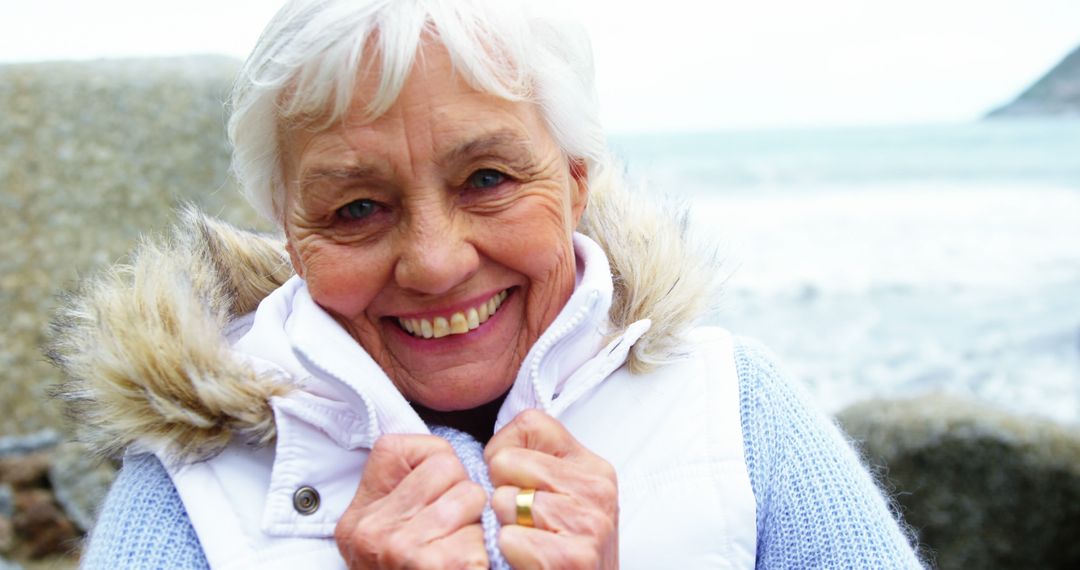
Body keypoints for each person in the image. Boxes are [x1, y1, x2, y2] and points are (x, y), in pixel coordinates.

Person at [48, 0, 924, 568]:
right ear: (288, 230)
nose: (435, 261)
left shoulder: (733, 408)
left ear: (578, 179)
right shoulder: (192, 481)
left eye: (488, 180)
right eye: (356, 207)